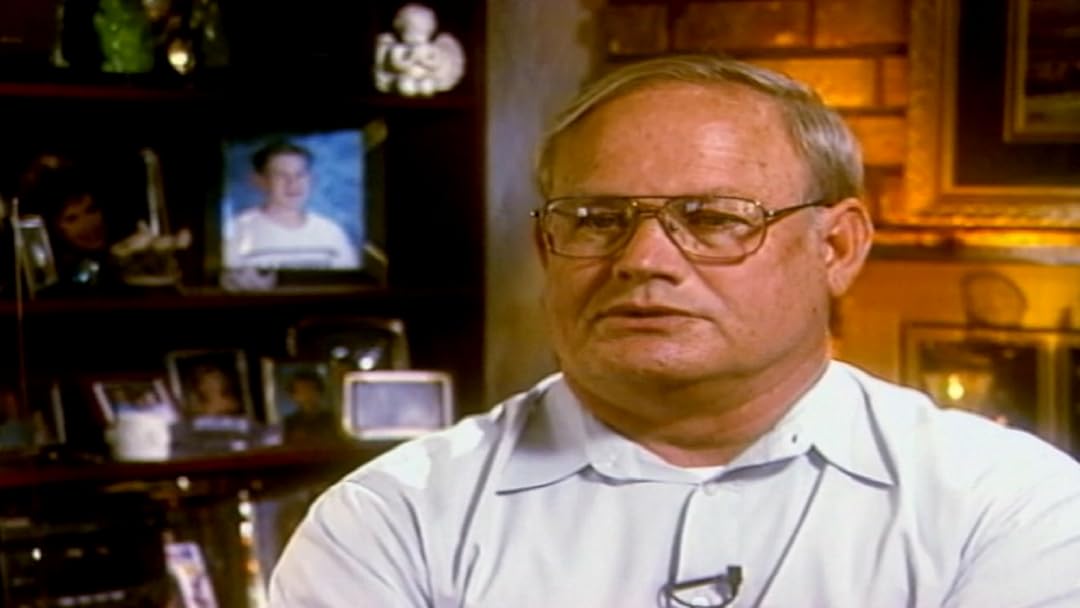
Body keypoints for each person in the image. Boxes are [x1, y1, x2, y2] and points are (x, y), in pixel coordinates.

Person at [269, 55, 1080, 606]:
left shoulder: (1007, 508)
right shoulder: (392, 521)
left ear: (836, 247)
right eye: (597, 219)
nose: (642, 260)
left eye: (714, 218)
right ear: (546, 248)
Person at [224, 139, 359, 270]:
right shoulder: (236, 232)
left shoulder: (331, 232)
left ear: (311, 179)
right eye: (280, 175)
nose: (293, 183)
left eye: (300, 175)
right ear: (260, 181)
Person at [282, 370, 337, 443]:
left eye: (310, 389)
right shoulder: (290, 422)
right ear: (294, 395)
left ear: (319, 392)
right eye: (301, 390)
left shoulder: (332, 419)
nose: (307, 394)